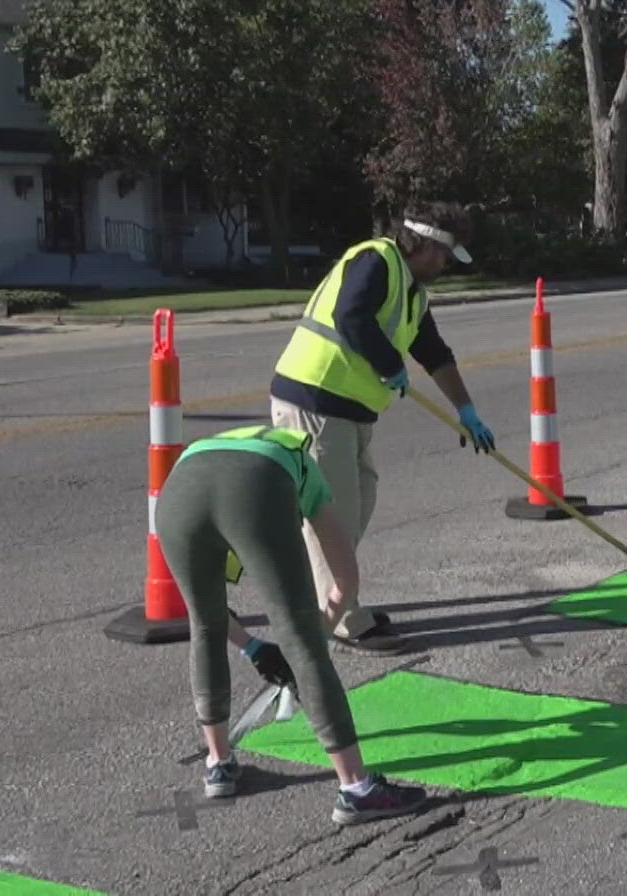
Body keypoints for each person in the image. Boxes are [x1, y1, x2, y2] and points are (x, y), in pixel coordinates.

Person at [157, 425, 428, 824]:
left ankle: (218, 764)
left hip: (177, 493)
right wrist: (314, 635)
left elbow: (209, 615)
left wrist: (251, 646)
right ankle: (356, 787)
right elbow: (345, 579)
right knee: (300, 639)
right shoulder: (303, 465)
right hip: (255, 487)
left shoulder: (213, 450)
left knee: (204, 627)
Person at [269, 203, 497, 654]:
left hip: (351, 409)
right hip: (313, 399)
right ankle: (344, 618)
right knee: (331, 515)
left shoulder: (412, 290)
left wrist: (467, 410)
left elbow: (433, 352)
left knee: (359, 501)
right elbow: (350, 316)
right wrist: (390, 364)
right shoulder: (375, 260)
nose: (447, 266)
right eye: (446, 256)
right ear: (427, 245)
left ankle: (332, 597)